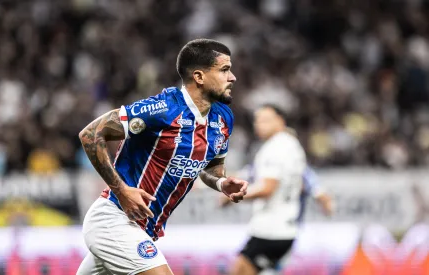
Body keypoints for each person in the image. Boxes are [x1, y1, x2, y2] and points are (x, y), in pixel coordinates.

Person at [76, 39, 249, 275]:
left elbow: (210, 167)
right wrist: (121, 190)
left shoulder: (223, 118)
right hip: (114, 220)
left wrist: (221, 182)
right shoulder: (164, 109)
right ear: (199, 76)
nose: (232, 77)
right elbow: (90, 134)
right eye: (224, 70)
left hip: (144, 229)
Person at [221, 104, 306, 275]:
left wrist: (235, 196)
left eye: (265, 120)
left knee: (239, 270)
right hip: (285, 226)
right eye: (257, 120)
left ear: (280, 121)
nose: (259, 124)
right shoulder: (291, 145)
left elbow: (268, 188)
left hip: (271, 229)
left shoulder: (275, 148)